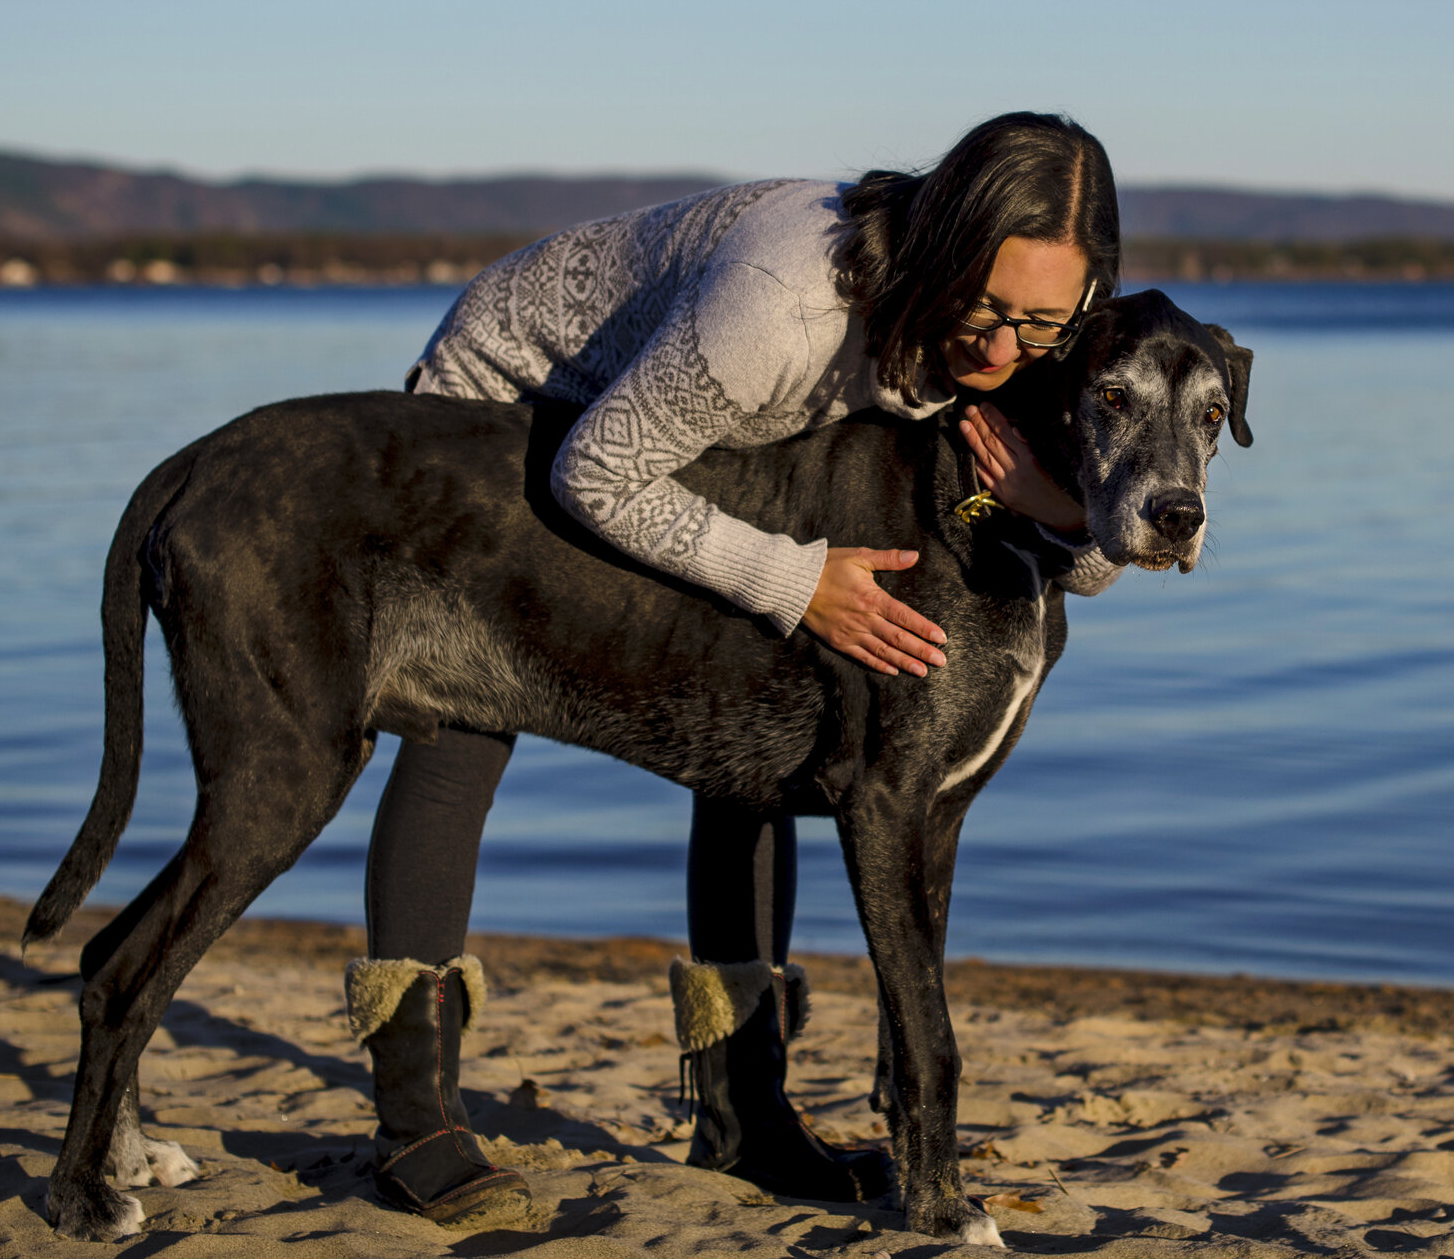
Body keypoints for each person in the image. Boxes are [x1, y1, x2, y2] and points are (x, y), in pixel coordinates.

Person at [341, 113, 1125, 1226]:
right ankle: (414, 1124)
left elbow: (1085, 562)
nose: (1002, 352)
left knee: (753, 726)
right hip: (515, 398)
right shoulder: (789, 302)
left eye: (1045, 322)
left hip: (719, 425)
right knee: (460, 723)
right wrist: (793, 579)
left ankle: (742, 1116)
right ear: (941, 247)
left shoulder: (1015, 340)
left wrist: (1057, 510)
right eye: (988, 308)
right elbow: (598, 472)